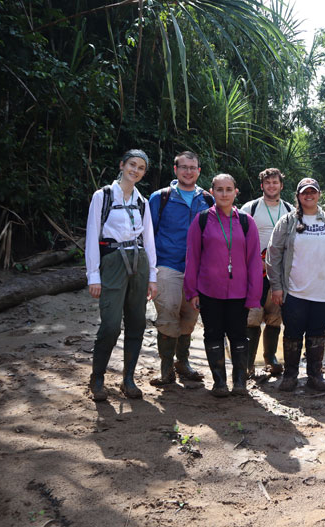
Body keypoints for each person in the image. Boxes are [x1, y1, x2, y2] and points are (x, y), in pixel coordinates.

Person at [85, 149, 158, 402]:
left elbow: (148, 240)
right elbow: (92, 236)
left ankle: (128, 379)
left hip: (140, 263)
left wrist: (153, 277)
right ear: (122, 165)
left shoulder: (142, 202)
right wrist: (93, 275)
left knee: (137, 322)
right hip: (113, 262)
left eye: (140, 168)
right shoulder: (102, 196)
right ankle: (97, 378)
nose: (135, 170)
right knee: (111, 325)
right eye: (132, 165)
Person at [266, 178, 325, 393]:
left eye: (313, 191)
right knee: (292, 333)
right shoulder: (287, 222)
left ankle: (315, 375)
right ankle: (290, 375)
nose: (309, 195)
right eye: (305, 192)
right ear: (298, 195)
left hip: (324, 291)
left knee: (317, 333)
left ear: (319, 194)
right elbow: (273, 255)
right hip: (293, 291)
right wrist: (276, 286)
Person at [183, 174, 262, 397]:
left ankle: (239, 382)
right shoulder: (201, 220)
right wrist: (192, 291)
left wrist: (253, 294)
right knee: (213, 334)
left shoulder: (247, 222)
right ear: (212, 192)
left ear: (236, 192)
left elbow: (254, 260)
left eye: (229, 189)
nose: (224, 194)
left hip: (239, 292)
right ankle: (219, 382)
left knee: (238, 334)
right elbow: (193, 258)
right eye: (219, 189)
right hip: (209, 290)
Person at [147, 151, 214, 387]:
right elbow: (148, 235)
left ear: (199, 171)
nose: (188, 171)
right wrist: (149, 272)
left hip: (197, 270)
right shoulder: (160, 198)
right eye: (183, 167)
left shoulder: (207, 200)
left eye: (192, 167)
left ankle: (182, 362)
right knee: (167, 315)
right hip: (167, 265)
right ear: (175, 169)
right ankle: (166, 369)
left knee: (189, 317)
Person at [239, 168, 294, 378]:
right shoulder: (250, 208)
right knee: (252, 317)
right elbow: (238, 239)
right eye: (268, 183)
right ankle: (247, 364)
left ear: (281, 185)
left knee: (275, 316)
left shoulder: (290, 209)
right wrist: (251, 263)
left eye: (275, 182)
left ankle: (270, 358)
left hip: (280, 273)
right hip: (255, 271)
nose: (272, 186)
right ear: (262, 185)